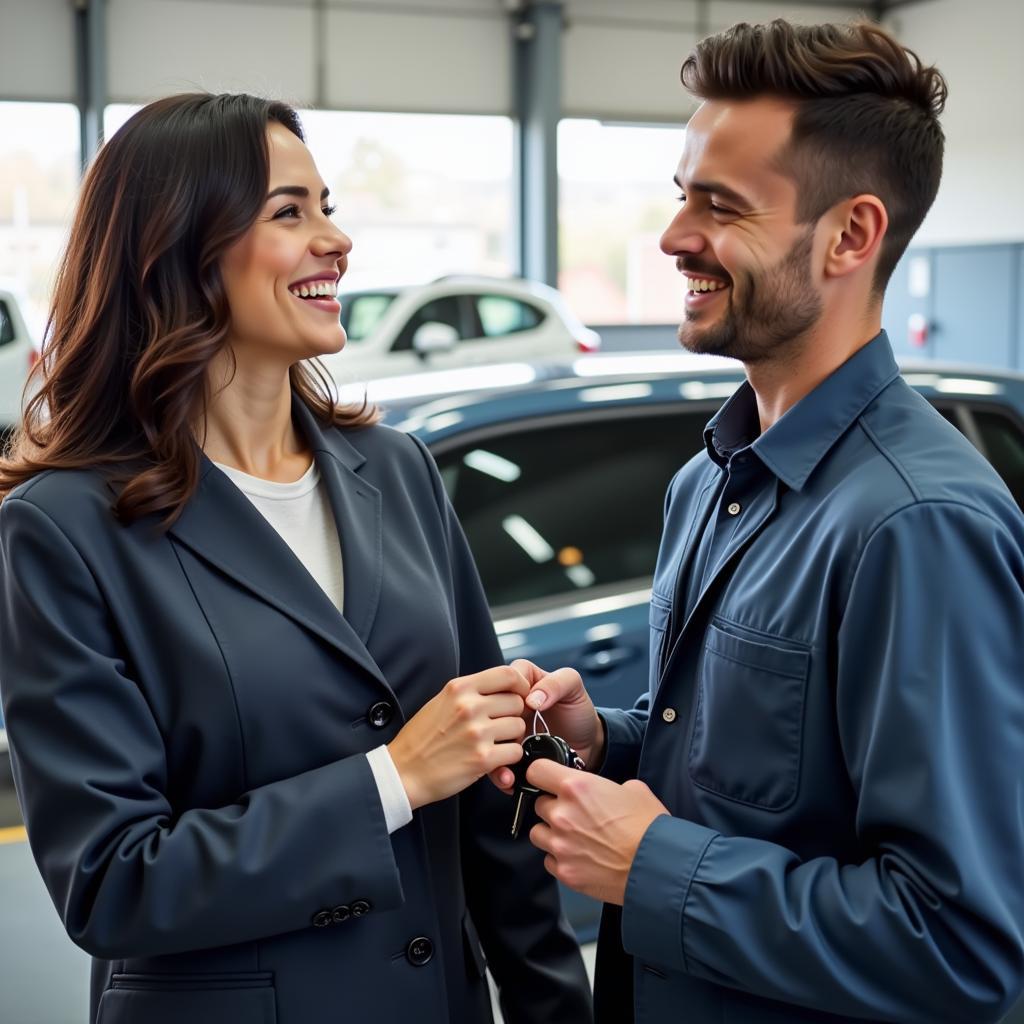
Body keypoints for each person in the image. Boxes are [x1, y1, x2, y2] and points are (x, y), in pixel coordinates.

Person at [0, 93, 592, 1024]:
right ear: (178, 252)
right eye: (290, 213)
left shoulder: (395, 472)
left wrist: (552, 1004)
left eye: (328, 205)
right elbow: (113, 882)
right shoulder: (63, 527)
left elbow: (491, 782)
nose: (336, 240)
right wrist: (390, 780)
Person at [492, 19, 1024, 1024]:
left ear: (850, 235)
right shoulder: (706, 481)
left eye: (719, 205)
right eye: (682, 193)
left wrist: (654, 866)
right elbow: (756, 775)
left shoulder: (917, 526)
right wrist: (606, 741)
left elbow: (959, 943)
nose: (673, 236)